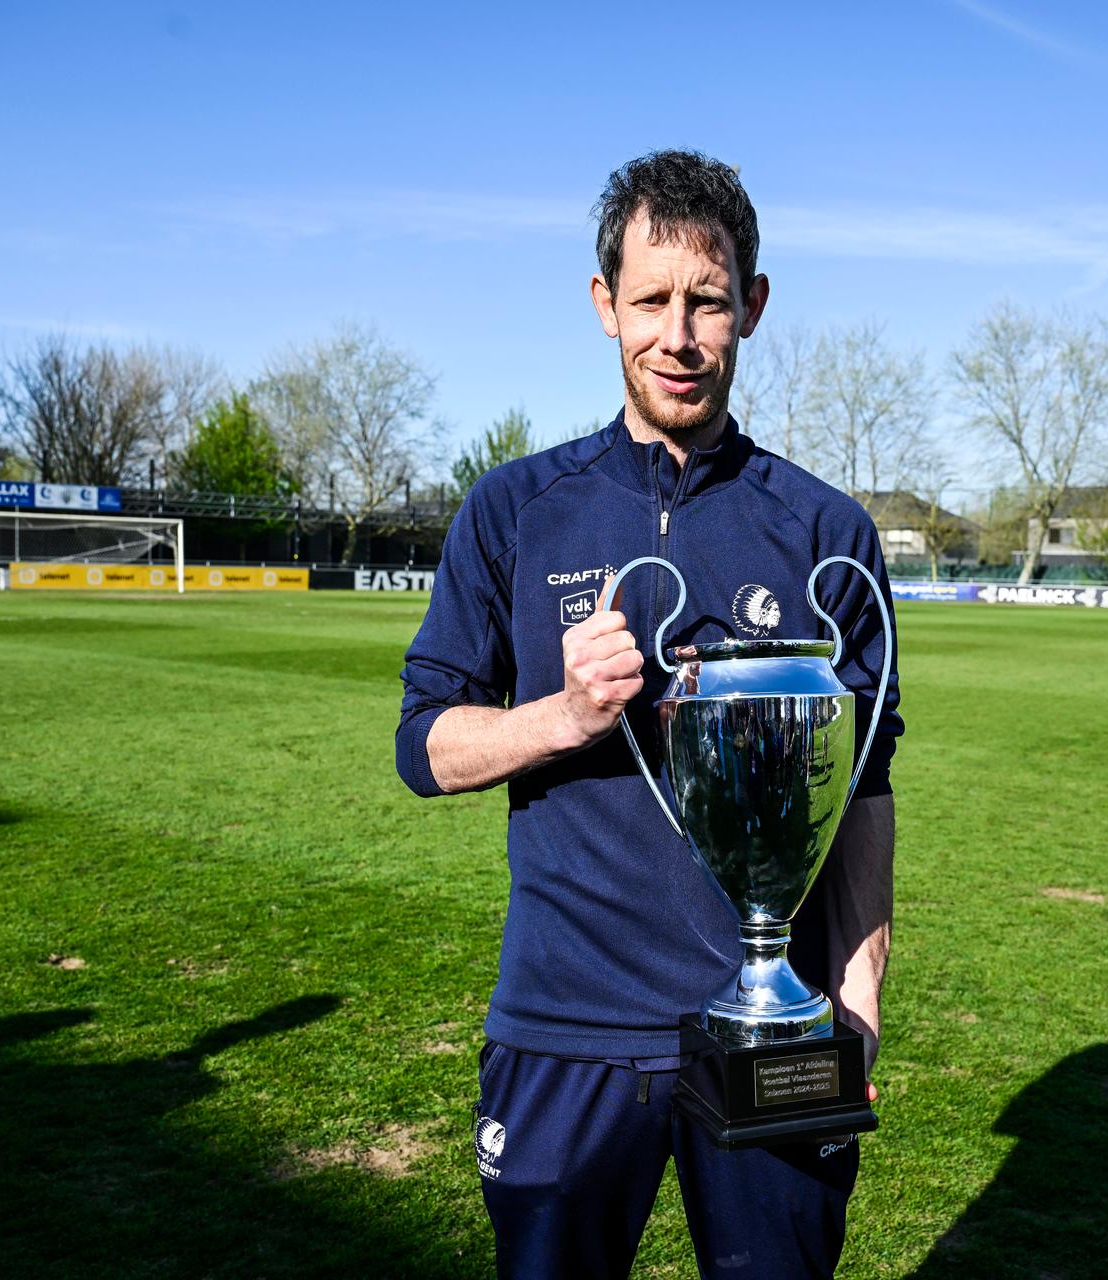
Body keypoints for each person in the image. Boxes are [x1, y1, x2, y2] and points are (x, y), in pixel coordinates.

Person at [396, 149, 901, 1280]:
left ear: (752, 307)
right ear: (603, 306)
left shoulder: (826, 531)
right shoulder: (515, 511)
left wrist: (857, 999)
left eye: (708, 301)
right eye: (651, 300)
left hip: (779, 1035)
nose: (678, 334)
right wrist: (562, 714)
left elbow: (863, 788)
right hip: (562, 1027)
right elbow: (423, 746)